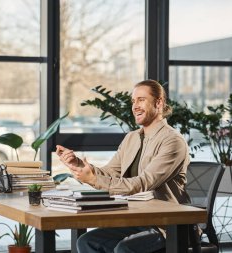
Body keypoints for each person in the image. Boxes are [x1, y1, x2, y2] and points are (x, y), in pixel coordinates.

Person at [56, 79, 190, 253]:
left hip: (167, 226)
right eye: (133, 101)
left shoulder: (173, 141)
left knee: (124, 249)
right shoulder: (131, 138)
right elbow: (111, 172)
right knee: (87, 242)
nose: (135, 106)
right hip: (136, 219)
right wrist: (81, 166)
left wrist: (94, 179)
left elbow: (141, 184)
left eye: (141, 100)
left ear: (159, 103)